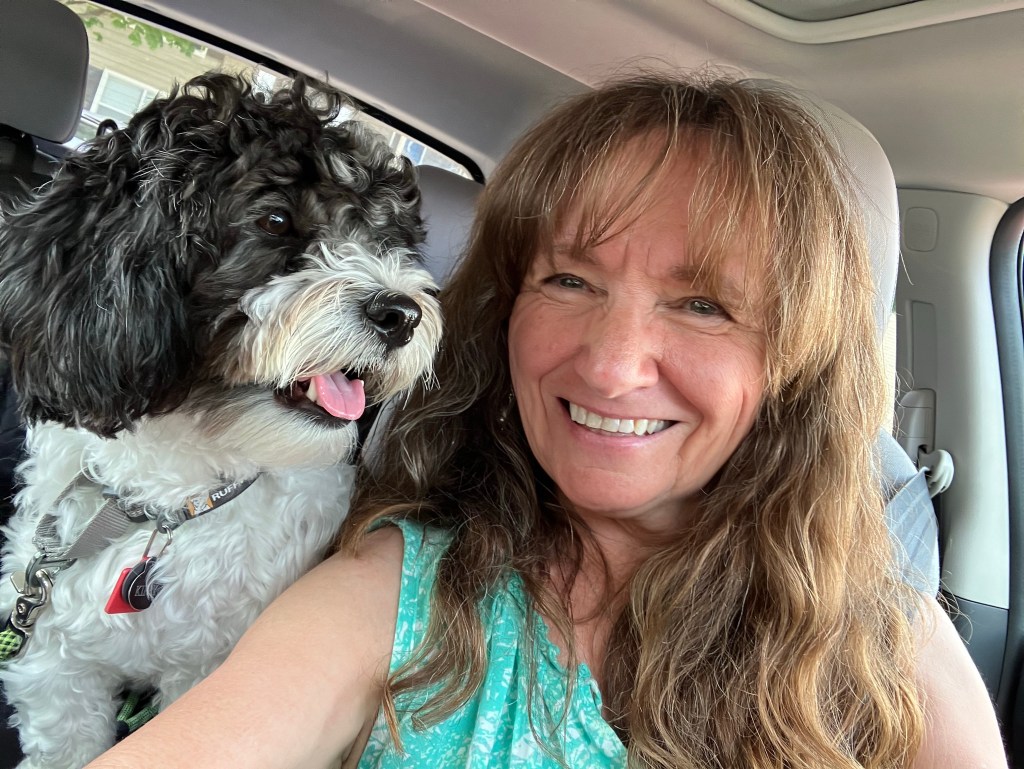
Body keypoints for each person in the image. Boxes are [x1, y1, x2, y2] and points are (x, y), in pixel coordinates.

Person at [85, 73, 1006, 769]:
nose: (609, 364)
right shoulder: (394, 595)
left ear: (797, 361)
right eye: (569, 279)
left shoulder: (887, 639)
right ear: (505, 308)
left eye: (703, 305)